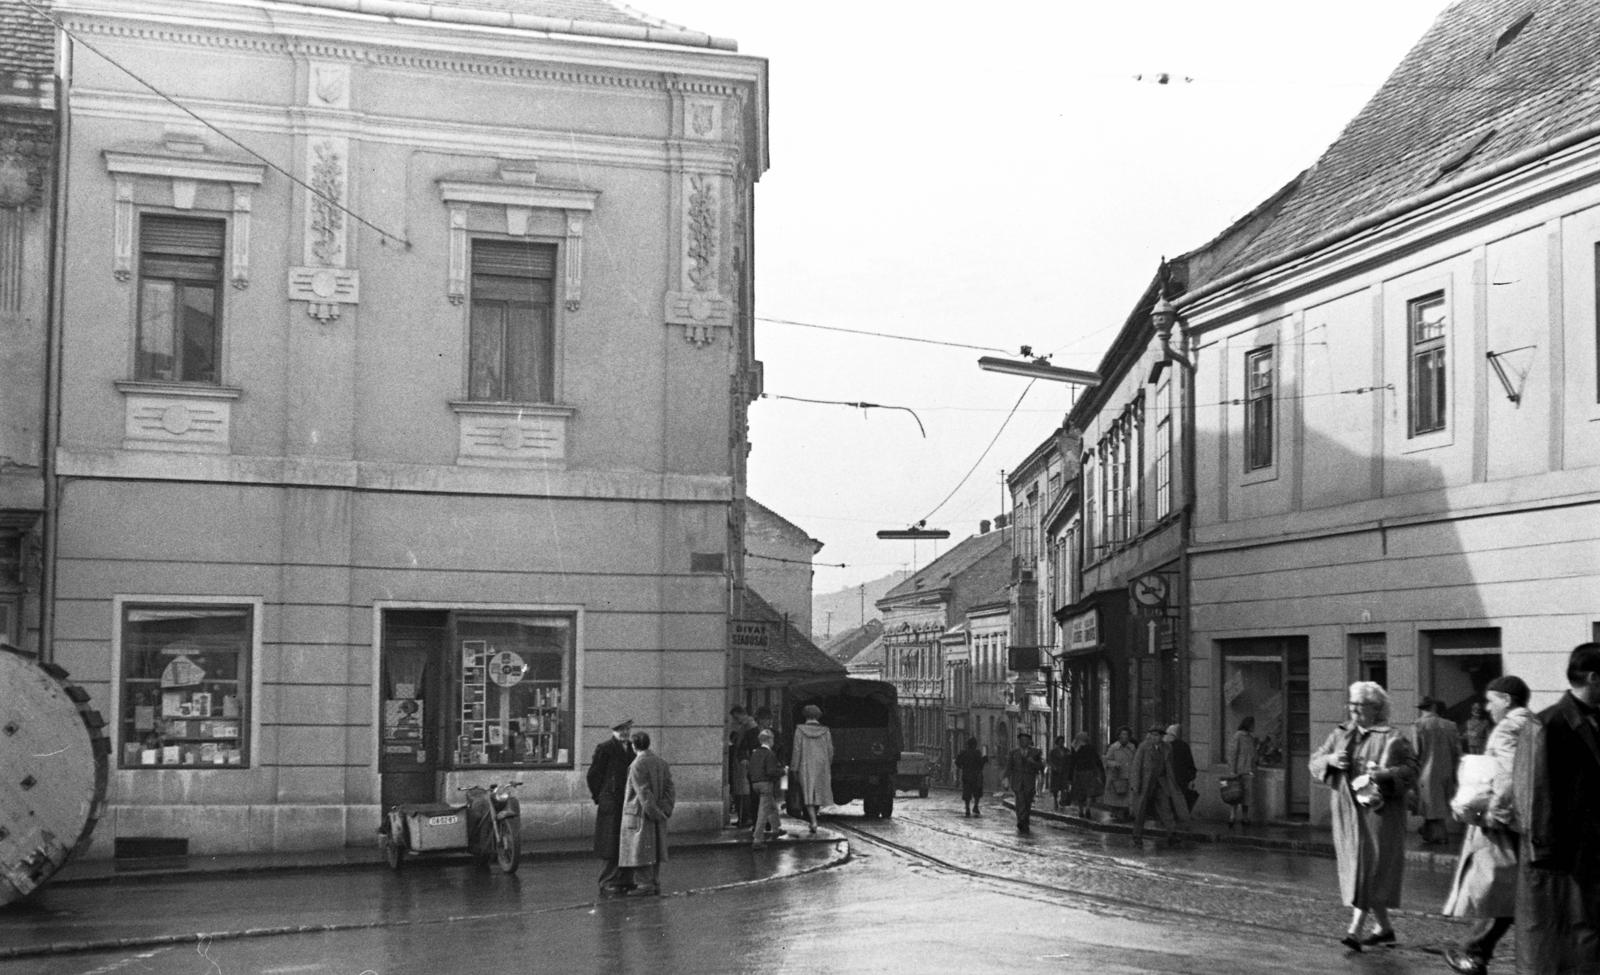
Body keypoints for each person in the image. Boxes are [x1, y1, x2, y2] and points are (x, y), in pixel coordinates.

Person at [1309, 681, 1418, 952]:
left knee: (1370, 868)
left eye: (1361, 705)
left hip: (1380, 814)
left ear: (1377, 708)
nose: (1354, 709)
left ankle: (1355, 930)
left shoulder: (1393, 737)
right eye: (1352, 703)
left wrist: (1386, 774)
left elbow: (1411, 770)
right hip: (1347, 813)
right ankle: (1384, 929)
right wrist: (1330, 760)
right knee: (1360, 868)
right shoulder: (1341, 733)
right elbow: (1314, 762)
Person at [1512, 642, 1600, 974]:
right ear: (1593, 677)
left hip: (1589, 853)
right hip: (1561, 861)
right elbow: (1533, 796)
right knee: (1560, 948)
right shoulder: (1547, 724)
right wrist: (1547, 855)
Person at [1441, 675, 1532, 975]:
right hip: (1527, 822)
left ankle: (1474, 953)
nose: (1487, 708)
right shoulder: (1535, 723)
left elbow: (1508, 776)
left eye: (1491, 701)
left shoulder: (1507, 728)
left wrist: (1494, 815)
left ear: (1506, 700)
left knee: (1497, 889)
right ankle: (1476, 951)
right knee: (1510, 891)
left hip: (1503, 825)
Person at [618, 730, 674, 896]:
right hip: (657, 812)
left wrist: (654, 812)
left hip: (640, 813)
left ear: (634, 746)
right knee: (654, 847)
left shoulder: (637, 764)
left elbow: (643, 792)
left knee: (640, 849)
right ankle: (654, 881)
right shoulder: (661, 763)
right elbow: (670, 789)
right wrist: (664, 810)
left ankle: (644, 884)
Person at [585, 717, 635, 893]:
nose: (625, 733)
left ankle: (625, 880)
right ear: (614, 731)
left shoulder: (633, 748)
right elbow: (593, 775)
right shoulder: (605, 748)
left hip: (628, 801)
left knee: (627, 842)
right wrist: (600, 796)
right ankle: (607, 881)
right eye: (621, 730)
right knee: (610, 844)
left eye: (627, 729)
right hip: (612, 802)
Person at [1414, 696, 1462, 845]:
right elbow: (1458, 751)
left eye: (1423, 709)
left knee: (1430, 807)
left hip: (1425, 772)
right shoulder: (1451, 725)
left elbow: (1415, 752)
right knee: (1438, 806)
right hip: (1447, 770)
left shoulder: (1419, 725)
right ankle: (1430, 833)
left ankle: (1439, 836)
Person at [1130, 724, 1188, 847]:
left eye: (1157, 735)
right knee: (1140, 810)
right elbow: (1136, 765)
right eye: (1152, 735)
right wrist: (1135, 784)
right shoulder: (1144, 747)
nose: (1154, 737)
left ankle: (1172, 834)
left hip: (1161, 782)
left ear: (1161, 736)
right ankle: (1137, 835)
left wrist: (1172, 783)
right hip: (1145, 783)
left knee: (1166, 809)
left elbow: (1169, 766)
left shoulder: (1167, 747)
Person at [790, 704, 834, 834]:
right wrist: (828, 763)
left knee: (807, 793)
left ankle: (813, 820)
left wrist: (794, 767)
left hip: (805, 765)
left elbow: (797, 750)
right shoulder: (825, 731)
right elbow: (830, 750)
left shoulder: (799, 730)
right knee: (818, 791)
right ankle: (814, 816)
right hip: (821, 765)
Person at [747, 728, 786, 849]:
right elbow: (770, 771)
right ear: (770, 740)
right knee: (763, 812)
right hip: (766, 784)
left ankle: (776, 828)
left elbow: (749, 770)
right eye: (773, 739)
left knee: (772, 806)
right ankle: (757, 839)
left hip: (755, 784)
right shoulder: (770, 754)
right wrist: (782, 772)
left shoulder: (754, 753)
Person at [1004, 731, 1045, 832]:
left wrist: (1033, 762)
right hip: (1017, 781)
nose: (1023, 742)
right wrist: (1006, 778)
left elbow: (1041, 766)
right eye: (1021, 740)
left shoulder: (1035, 752)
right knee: (1020, 801)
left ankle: (1025, 820)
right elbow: (1009, 767)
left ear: (1029, 741)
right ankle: (1021, 820)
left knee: (1027, 802)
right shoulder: (1013, 753)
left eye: (1026, 740)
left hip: (1029, 781)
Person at [1227, 716, 1259, 828]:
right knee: (1235, 794)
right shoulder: (1238, 736)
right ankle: (1232, 816)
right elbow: (1233, 753)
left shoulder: (1251, 738)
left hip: (1248, 770)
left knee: (1247, 795)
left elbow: (1253, 754)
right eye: (1252, 725)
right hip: (1239, 770)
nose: (1254, 727)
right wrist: (1232, 770)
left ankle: (1245, 817)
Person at [1065, 731, 1105, 819]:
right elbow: (1097, 759)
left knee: (1080, 792)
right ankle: (1087, 808)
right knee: (1089, 792)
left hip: (1079, 773)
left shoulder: (1075, 749)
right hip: (1090, 772)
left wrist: (1070, 777)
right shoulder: (1091, 748)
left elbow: (1072, 763)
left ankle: (1080, 811)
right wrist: (1101, 769)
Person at [727, 706, 756, 827]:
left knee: (744, 790)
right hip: (741, 762)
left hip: (744, 762)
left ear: (742, 714)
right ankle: (743, 817)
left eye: (736, 717)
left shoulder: (749, 726)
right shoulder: (744, 726)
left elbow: (747, 744)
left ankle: (745, 818)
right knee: (741, 789)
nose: (735, 720)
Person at [1103, 726, 1138, 822]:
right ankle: (1119, 815)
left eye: (1126, 734)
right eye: (1122, 734)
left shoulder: (1132, 747)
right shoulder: (1114, 747)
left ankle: (1125, 814)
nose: (1124, 736)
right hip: (1117, 777)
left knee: (1128, 798)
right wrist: (1114, 764)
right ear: (1119, 736)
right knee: (1118, 798)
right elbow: (1106, 760)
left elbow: (1136, 760)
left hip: (1129, 776)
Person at [1167, 723, 1199, 813]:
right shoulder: (1184, 746)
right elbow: (1190, 764)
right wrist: (1191, 778)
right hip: (1182, 781)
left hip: (1170, 780)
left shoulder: (1166, 747)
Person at [955, 737, 987, 817]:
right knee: (977, 792)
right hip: (976, 776)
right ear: (975, 745)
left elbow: (957, 762)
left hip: (966, 775)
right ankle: (975, 806)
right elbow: (980, 764)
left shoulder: (963, 753)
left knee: (967, 792)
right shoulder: (977, 753)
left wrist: (962, 767)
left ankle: (967, 808)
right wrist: (984, 760)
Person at [1047, 736, 1071, 809]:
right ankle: (1055, 801)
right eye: (1060, 742)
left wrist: (1068, 768)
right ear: (1057, 742)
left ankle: (1062, 801)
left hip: (1064, 772)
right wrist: (1054, 767)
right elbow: (1050, 760)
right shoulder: (1053, 751)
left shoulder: (1067, 751)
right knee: (1055, 788)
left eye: (1062, 741)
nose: (1061, 743)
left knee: (1064, 787)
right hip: (1056, 773)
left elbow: (1069, 760)